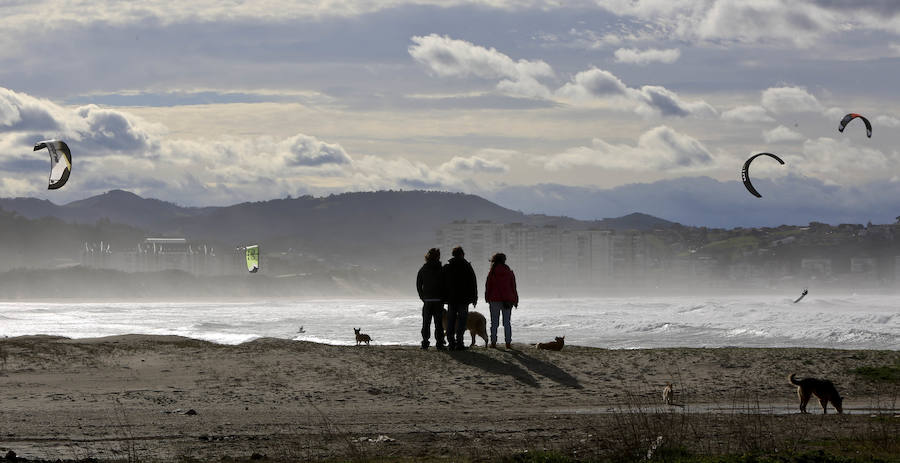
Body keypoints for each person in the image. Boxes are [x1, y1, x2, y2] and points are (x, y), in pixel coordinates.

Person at [441, 246, 477, 351]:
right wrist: (474, 298)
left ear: (453, 254)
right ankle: (459, 343)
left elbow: (442, 283)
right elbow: (473, 283)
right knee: (462, 322)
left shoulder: (447, 267)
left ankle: (451, 343)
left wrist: (443, 298)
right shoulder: (467, 266)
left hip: (451, 300)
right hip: (464, 300)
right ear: (462, 254)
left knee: (451, 321)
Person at [485, 252, 518, 349]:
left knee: (494, 323)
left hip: (494, 300)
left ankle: (493, 342)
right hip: (507, 300)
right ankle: (508, 343)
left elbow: (488, 286)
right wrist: (515, 300)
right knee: (507, 322)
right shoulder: (509, 272)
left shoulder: (492, 273)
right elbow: (513, 287)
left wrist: (487, 297)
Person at [416, 248, 445, 350]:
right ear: (438, 256)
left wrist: (422, 297)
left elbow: (419, 285)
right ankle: (439, 344)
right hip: (438, 300)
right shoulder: (441, 269)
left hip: (427, 301)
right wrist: (443, 298)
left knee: (426, 323)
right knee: (439, 324)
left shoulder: (423, 269)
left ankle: (425, 343)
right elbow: (445, 285)